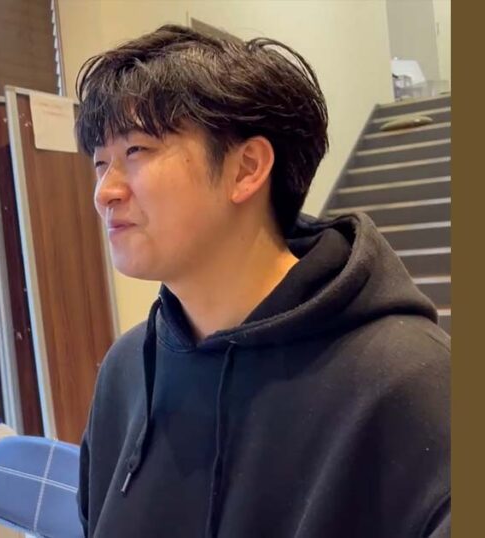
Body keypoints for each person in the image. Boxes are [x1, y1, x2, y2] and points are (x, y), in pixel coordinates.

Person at [75, 25, 450, 538]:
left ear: (246, 168)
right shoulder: (125, 372)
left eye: (136, 150)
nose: (105, 191)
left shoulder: (410, 382)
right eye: (100, 163)